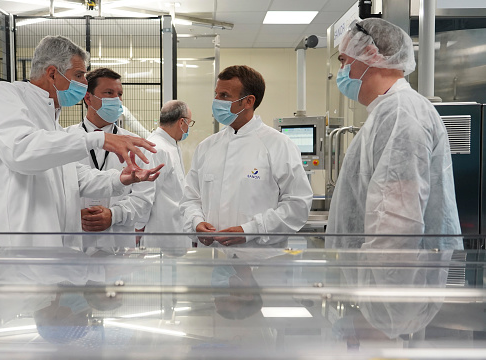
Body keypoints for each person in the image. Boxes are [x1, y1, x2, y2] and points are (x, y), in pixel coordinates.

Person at [0, 36, 163, 249]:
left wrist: (120, 178)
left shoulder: (51, 120)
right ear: (53, 73)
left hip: (54, 249)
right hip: (16, 247)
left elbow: (72, 176)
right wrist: (99, 138)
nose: (84, 83)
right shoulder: (5, 94)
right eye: (79, 75)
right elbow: (21, 152)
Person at [326, 19, 462, 250]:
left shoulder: (401, 113)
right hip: (377, 278)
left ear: (370, 54)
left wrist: (388, 285)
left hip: (391, 280)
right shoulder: (388, 111)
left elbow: (396, 226)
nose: (342, 71)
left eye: (344, 61)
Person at [180, 65, 313, 247]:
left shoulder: (279, 145)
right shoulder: (207, 147)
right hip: (211, 258)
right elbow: (190, 198)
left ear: (248, 101)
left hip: (260, 262)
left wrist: (251, 230)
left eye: (224, 96)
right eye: (216, 94)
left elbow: (297, 205)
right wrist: (196, 222)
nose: (216, 101)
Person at [74, 68, 155, 249]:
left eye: (119, 94)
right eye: (109, 93)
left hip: (118, 244)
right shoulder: (67, 139)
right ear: (88, 98)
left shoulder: (135, 144)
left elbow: (144, 199)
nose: (117, 100)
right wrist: (72, 214)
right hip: (76, 240)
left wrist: (114, 215)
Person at [133, 100, 194, 248]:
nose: (188, 128)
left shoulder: (171, 145)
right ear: (182, 122)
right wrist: (138, 229)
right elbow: (144, 195)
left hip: (174, 230)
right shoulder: (157, 148)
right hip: (159, 234)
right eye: (189, 124)